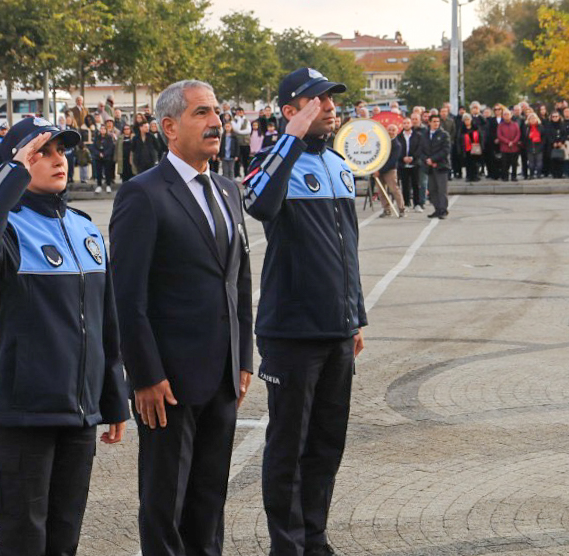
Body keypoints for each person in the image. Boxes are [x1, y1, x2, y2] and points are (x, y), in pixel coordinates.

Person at [0, 118, 129, 556]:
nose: (59, 160)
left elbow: (106, 321)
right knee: (23, 543)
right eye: (43, 152)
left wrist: (112, 400)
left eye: (62, 151)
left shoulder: (86, 228)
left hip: (78, 418)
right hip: (23, 418)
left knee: (64, 541)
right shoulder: (8, 230)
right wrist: (12, 172)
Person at [109, 80, 253, 556]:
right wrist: (145, 375)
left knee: (209, 500)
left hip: (223, 376)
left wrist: (244, 356)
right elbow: (127, 296)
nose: (216, 121)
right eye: (201, 113)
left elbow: (240, 281)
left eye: (217, 112)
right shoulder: (142, 194)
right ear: (169, 126)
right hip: (167, 384)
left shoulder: (229, 191)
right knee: (165, 504)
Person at [243, 68, 365, 556]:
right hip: (292, 331)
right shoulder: (275, 163)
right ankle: (287, 545)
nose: (330, 108)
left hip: (336, 330)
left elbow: (348, 246)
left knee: (325, 444)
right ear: (290, 111)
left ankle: (315, 538)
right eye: (317, 101)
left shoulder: (337, 164)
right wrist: (289, 141)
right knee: (288, 448)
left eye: (332, 100)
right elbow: (255, 200)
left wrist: (353, 315)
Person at [423, 113, 451, 219]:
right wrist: (427, 160)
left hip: (441, 166)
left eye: (438, 121)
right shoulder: (425, 134)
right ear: (429, 122)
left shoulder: (444, 134)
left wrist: (434, 159)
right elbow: (421, 149)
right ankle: (437, 209)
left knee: (442, 189)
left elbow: (445, 150)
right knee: (432, 189)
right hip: (429, 166)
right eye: (434, 121)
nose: (436, 123)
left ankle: (443, 210)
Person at [376, 123, 404, 217]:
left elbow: (392, 161)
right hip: (378, 170)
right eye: (389, 129)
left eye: (393, 130)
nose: (391, 132)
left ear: (397, 132)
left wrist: (379, 170)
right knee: (381, 190)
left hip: (390, 170)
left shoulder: (397, 145)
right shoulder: (381, 141)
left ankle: (401, 208)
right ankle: (386, 209)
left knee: (394, 189)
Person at [397, 117, 423, 209]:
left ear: (411, 124)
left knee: (416, 184)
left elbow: (420, 148)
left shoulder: (418, 135)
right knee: (405, 185)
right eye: (404, 123)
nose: (406, 125)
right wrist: (403, 158)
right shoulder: (399, 136)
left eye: (408, 123)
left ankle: (417, 204)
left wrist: (412, 157)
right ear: (402, 125)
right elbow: (397, 149)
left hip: (415, 163)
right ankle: (407, 203)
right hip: (403, 164)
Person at [90, 124, 115, 193]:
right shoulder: (96, 137)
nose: (102, 130)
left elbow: (111, 147)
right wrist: (98, 153)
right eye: (101, 129)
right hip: (98, 157)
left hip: (107, 157)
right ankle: (99, 185)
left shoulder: (109, 138)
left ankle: (108, 185)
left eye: (104, 128)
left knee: (107, 172)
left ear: (106, 130)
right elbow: (93, 147)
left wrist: (104, 154)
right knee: (98, 172)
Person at [458, 113, 483, 182]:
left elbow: (481, 137)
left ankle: (475, 176)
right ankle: (468, 176)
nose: (467, 121)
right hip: (466, 149)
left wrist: (481, 147)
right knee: (468, 163)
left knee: (475, 163)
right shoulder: (462, 130)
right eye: (465, 120)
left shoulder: (476, 128)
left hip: (475, 148)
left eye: (468, 119)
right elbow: (459, 140)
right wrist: (460, 150)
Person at [497, 110, 521, 182]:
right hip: (504, 148)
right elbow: (499, 135)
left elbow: (518, 134)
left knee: (514, 163)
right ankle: (505, 177)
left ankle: (514, 177)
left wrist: (513, 142)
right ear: (503, 116)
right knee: (505, 164)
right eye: (505, 114)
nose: (506, 116)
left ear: (511, 115)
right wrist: (507, 142)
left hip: (514, 147)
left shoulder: (515, 124)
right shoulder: (500, 125)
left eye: (508, 114)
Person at [523, 113, 545, 180]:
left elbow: (544, 137)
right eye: (531, 119)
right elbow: (524, 138)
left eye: (534, 118)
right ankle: (531, 175)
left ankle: (539, 174)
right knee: (531, 163)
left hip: (539, 147)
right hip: (529, 147)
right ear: (528, 120)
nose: (533, 120)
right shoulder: (526, 127)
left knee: (539, 163)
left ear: (537, 119)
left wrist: (542, 146)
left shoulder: (541, 127)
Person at [232, 107, 252, 175]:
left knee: (246, 160)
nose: (239, 113)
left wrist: (239, 132)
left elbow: (248, 131)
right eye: (238, 112)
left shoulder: (247, 120)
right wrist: (239, 120)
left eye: (241, 112)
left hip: (246, 143)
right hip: (237, 143)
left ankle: (246, 173)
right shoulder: (234, 120)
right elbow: (236, 129)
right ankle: (237, 174)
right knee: (237, 160)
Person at [547, 112, 567, 179]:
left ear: (559, 117)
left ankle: (560, 174)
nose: (555, 118)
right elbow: (548, 135)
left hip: (561, 144)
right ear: (551, 117)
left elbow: (564, 134)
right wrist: (553, 142)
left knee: (561, 160)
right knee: (553, 160)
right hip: (552, 145)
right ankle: (554, 174)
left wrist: (561, 142)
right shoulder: (549, 125)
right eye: (553, 116)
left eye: (556, 116)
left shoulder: (562, 124)